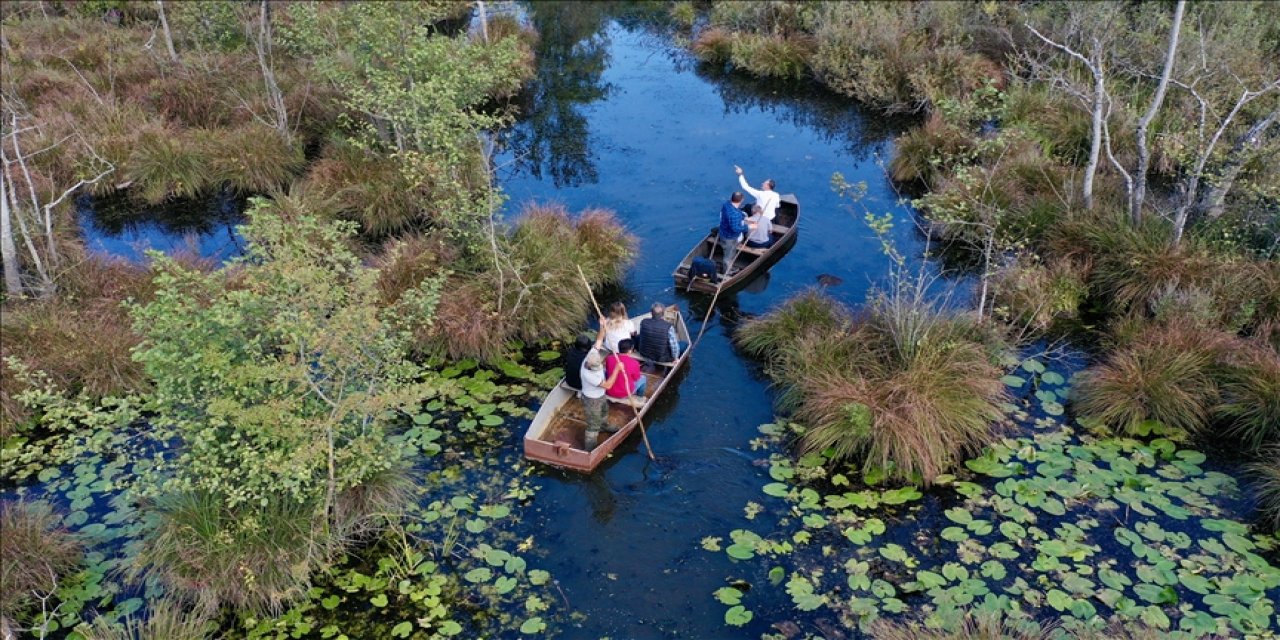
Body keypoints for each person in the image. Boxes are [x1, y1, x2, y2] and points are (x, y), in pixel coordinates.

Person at [578, 345, 616, 451]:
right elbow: (608, 385)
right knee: (593, 424)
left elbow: (598, 342)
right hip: (592, 400)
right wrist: (617, 369)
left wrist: (603, 330)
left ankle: (603, 426)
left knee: (604, 411)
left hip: (600, 395)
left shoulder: (590, 356)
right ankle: (590, 449)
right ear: (589, 365)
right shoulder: (589, 375)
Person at [717, 192, 748, 273]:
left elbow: (738, 211)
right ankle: (726, 271)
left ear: (731, 198)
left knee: (730, 251)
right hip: (729, 238)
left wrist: (743, 217)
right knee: (728, 256)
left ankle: (729, 265)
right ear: (741, 200)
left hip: (723, 233)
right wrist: (748, 227)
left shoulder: (726, 204)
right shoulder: (734, 215)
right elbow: (736, 229)